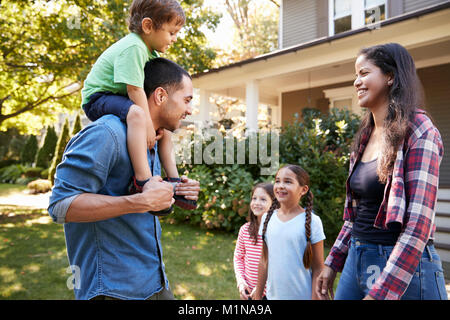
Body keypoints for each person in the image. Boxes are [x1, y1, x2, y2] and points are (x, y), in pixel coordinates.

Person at [48, 57, 200, 300]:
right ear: (160, 96)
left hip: (155, 282)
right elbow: (60, 206)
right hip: (112, 290)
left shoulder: (153, 141)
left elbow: (140, 192)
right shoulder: (107, 133)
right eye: (187, 100)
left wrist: (176, 190)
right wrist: (141, 202)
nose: (190, 110)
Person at [316, 43, 448, 300]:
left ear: (390, 76)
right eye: (356, 75)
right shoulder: (365, 136)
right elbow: (355, 215)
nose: (356, 82)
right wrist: (333, 263)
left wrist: (381, 294)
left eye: (364, 73)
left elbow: (418, 226)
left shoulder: (419, 130)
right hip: (357, 257)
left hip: (405, 268)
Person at [81, 0, 186, 195]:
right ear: (148, 26)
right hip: (98, 97)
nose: (175, 39)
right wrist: (147, 124)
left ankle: (174, 180)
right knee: (138, 114)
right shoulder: (134, 47)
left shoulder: (151, 54)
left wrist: (157, 124)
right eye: (171, 33)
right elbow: (135, 91)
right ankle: (143, 180)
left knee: (164, 125)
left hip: (117, 97)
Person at [251, 165, 325, 300]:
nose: (280, 186)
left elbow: (318, 268)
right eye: (277, 181)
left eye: (288, 182)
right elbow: (264, 261)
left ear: (303, 190)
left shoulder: (313, 222)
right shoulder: (267, 219)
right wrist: (257, 295)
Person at [233, 183, 275, 300]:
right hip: (248, 292)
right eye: (254, 198)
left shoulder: (276, 232)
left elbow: (279, 265)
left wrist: (262, 288)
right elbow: (238, 258)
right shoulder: (245, 230)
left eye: (263, 199)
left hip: (271, 293)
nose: (256, 202)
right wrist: (241, 282)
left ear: (274, 204)